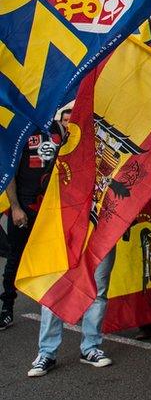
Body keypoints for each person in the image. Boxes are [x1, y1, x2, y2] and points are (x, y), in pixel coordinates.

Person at [2, 122, 64, 330]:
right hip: (25, 207)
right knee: (16, 258)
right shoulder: (21, 127)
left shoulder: (58, 128)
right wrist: (16, 207)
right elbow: (9, 171)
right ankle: (7, 308)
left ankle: (55, 303)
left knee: (54, 258)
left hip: (51, 207)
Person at [27, 250, 116, 377]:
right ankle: (47, 353)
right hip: (64, 236)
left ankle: (89, 348)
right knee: (54, 292)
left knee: (98, 292)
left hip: (101, 234)